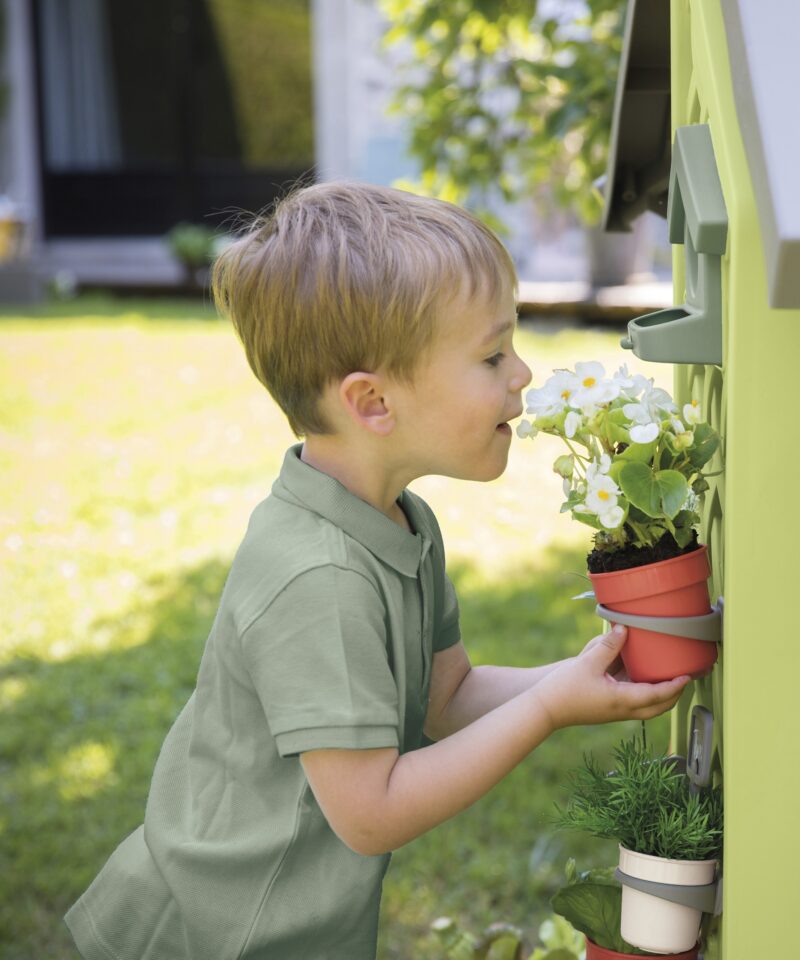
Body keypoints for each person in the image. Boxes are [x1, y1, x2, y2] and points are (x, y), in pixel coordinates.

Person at [64, 182, 689, 960]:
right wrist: (548, 710)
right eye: (492, 355)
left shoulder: (399, 523)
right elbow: (371, 813)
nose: (522, 373)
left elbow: (446, 698)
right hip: (212, 934)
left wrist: (583, 674)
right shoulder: (317, 577)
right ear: (373, 403)